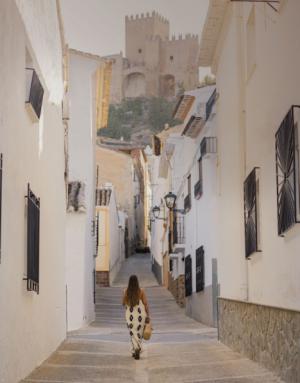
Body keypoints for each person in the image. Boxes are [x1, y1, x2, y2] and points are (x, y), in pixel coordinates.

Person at [122, 275, 150, 360]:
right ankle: (137, 348)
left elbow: (123, 303)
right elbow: (145, 304)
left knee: (133, 333)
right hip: (140, 315)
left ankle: (135, 349)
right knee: (139, 333)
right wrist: (148, 315)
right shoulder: (141, 291)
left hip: (130, 315)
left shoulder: (125, 291)